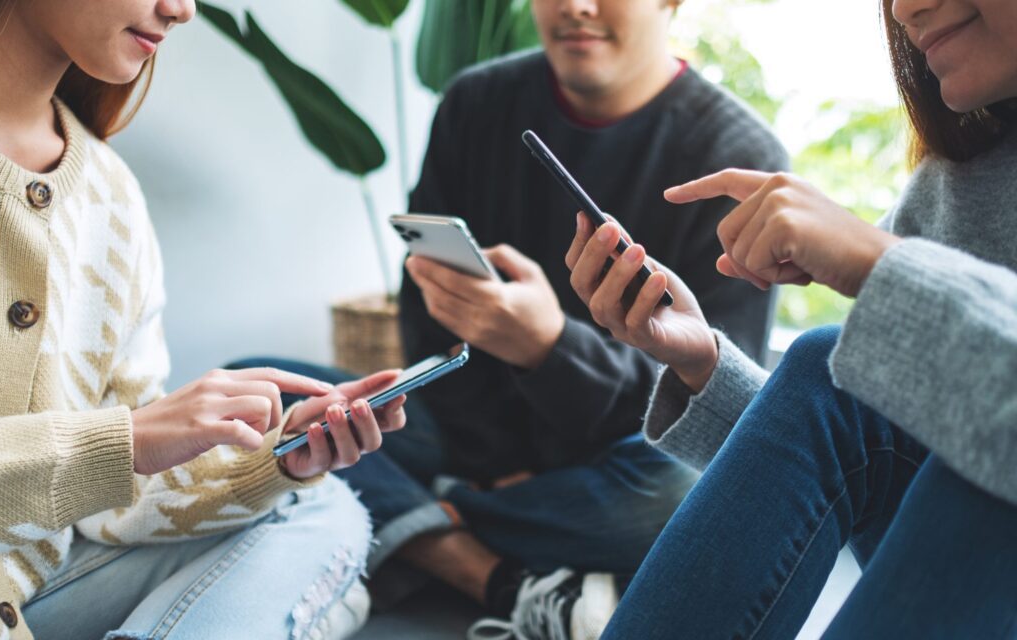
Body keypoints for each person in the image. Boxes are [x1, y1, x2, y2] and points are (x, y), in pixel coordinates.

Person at [234, 0, 787, 637]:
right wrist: (489, 463)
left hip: (616, 461)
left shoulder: (737, 155)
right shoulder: (476, 102)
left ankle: (419, 532)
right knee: (258, 390)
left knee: (688, 494)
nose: (577, 7)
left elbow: (718, 416)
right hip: (467, 439)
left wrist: (548, 347)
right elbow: (425, 320)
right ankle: (505, 579)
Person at [563, 0, 1017, 637]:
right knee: (825, 368)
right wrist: (703, 364)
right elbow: (846, 461)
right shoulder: (961, 181)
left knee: (985, 479)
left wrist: (875, 260)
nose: (906, 9)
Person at [0, 1, 408, 638]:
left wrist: (275, 458)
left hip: (35, 588)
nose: (181, 10)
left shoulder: (109, 194)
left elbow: (114, 502)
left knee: (319, 507)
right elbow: (112, 455)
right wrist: (125, 441)